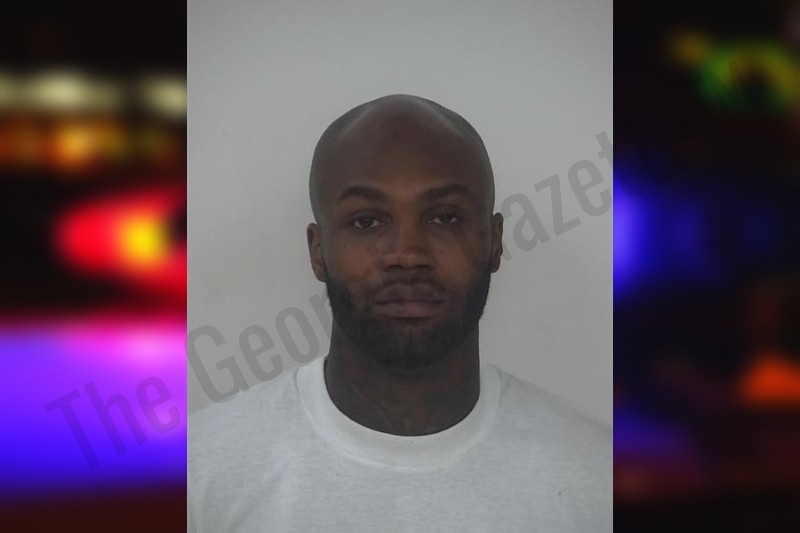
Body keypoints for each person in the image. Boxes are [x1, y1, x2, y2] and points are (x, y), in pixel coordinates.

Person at [188, 94, 612, 532]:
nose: (408, 255)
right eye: (367, 221)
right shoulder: (199, 476)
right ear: (318, 251)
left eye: (445, 218)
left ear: (494, 241)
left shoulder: (598, 478)